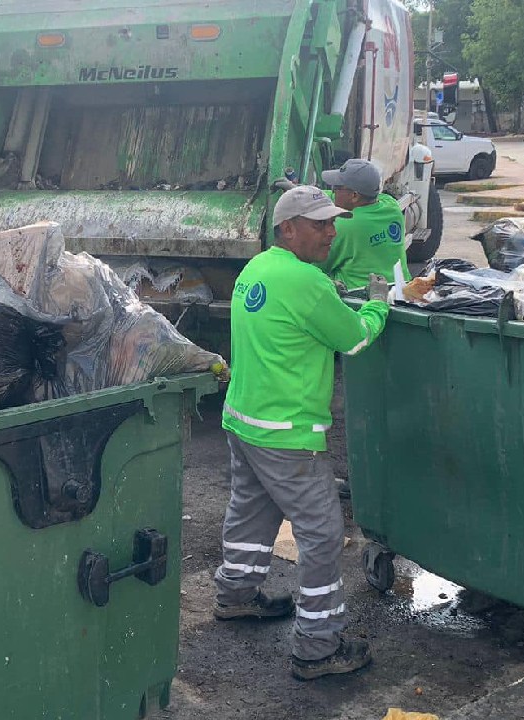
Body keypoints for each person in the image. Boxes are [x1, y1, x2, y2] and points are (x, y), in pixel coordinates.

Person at [214, 185, 390, 681]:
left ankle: (236, 596)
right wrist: (379, 303)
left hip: (244, 420)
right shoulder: (306, 282)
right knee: (322, 534)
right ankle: (317, 647)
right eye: (319, 225)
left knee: (250, 512)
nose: (331, 233)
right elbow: (354, 338)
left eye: (333, 223)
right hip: (287, 434)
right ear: (287, 228)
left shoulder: (258, 269)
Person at [320, 159, 412, 289]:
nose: (333, 192)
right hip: (400, 290)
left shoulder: (343, 225)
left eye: (336, 188)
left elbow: (318, 264)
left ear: (354, 196)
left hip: (360, 297)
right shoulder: (392, 207)